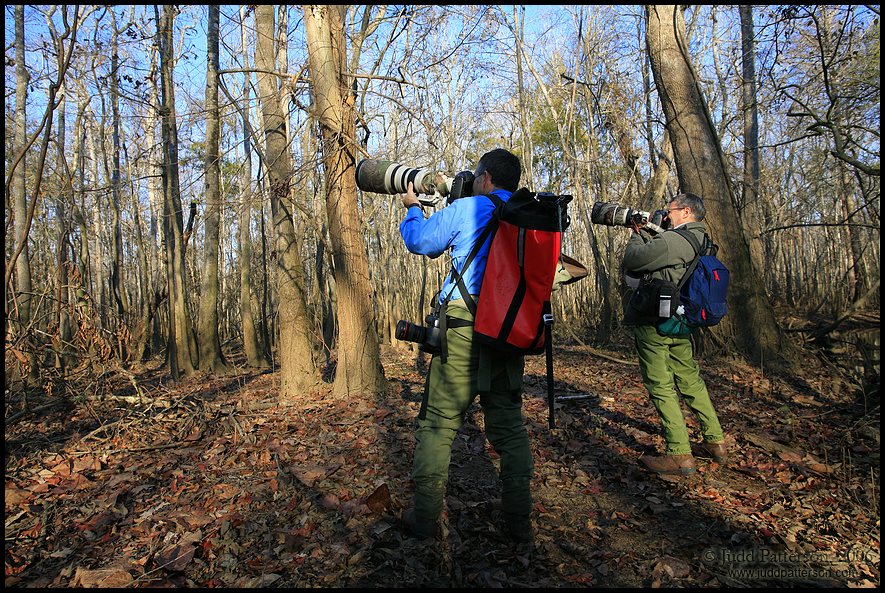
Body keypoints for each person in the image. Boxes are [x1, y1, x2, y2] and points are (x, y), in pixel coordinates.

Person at [398, 148, 533, 543]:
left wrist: (411, 207)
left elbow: (421, 241)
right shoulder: (530, 215)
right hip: (511, 331)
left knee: (439, 423)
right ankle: (519, 522)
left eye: (476, 176)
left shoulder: (471, 208)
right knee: (508, 426)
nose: (473, 181)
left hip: (464, 327)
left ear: (487, 177)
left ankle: (424, 518)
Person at [622, 192, 728, 475]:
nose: (666, 215)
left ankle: (679, 453)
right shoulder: (704, 241)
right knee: (690, 379)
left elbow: (633, 261)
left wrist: (639, 232)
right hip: (681, 323)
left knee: (661, 385)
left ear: (686, 212)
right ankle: (715, 441)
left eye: (670, 211)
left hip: (656, 321)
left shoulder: (674, 240)